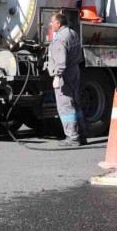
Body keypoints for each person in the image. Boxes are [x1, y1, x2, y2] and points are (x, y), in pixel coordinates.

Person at [47, 11, 85, 147]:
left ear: (58, 23)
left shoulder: (59, 39)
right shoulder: (72, 33)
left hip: (64, 74)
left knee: (65, 105)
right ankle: (81, 134)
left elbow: (61, 62)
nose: (50, 24)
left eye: (52, 22)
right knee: (75, 103)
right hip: (74, 70)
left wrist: (57, 75)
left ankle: (73, 137)